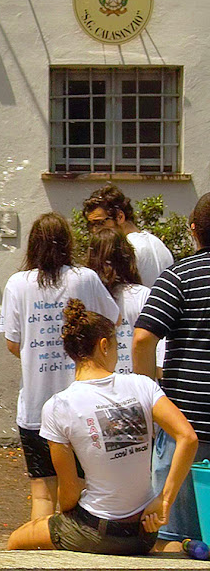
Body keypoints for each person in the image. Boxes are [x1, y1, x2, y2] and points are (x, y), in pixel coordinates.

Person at [8, 299, 197, 554]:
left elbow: (70, 492)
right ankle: (175, 546)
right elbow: (188, 437)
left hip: (94, 532)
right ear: (104, 345)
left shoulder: (58, 406)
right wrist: (163, 500)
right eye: (118, 347)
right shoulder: (143, 385)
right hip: (144, 531)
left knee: (17, 540)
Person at [0, 212, 119, 520]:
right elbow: (112, 320)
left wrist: (36, 356)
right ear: (67, 243)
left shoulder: (17, 284)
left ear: (32, 246)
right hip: (82, 406)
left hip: (35, 409)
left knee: (42, 491)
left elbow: (13, 342)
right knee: (79, 486)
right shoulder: (85, 279)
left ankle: (39, 553)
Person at [133, 192, 210, 550]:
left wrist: (151, 399)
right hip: (188, 428)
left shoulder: (179, 276)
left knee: (174, 538)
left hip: (186, 426)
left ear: (194, 231)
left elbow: (142, 340)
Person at [86, 227, 163, 375]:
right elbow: (159, 353)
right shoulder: (142, 295)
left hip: (99, 386)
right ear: (127, 257)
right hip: (138, 387)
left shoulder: (88, 299)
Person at [83, 184, 173, 287]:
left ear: (120, 217)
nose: (95, 230)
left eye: (99, 223)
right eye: (91, 225)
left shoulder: (124, 249)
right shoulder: (157, 243)